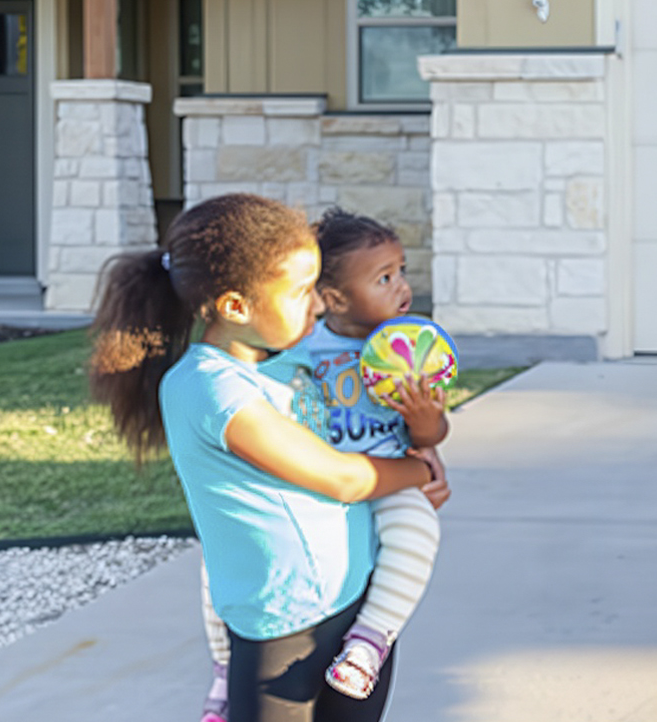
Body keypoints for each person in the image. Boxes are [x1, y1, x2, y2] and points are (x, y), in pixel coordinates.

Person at [88, 193, 448, 722]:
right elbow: (342, 478)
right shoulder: (209, 389)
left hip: (350, 600)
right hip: (282, 628)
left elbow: (364, 432)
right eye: (303, 292)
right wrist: (420, 471)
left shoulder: (288, 359)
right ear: (236, 306)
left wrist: (420, 436)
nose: (320, 304)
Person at [191, 208, 450, 715]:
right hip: (309, 482)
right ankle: (224, 672)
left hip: (385, 480)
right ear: (332, 298)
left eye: (401, 272)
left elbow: (433, 436)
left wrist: (425, 422)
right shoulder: (301, 345)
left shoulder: (415, 347)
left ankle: (369, 642)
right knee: (217, 557)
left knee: (418, 530)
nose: (402, 287)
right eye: (384, 278)